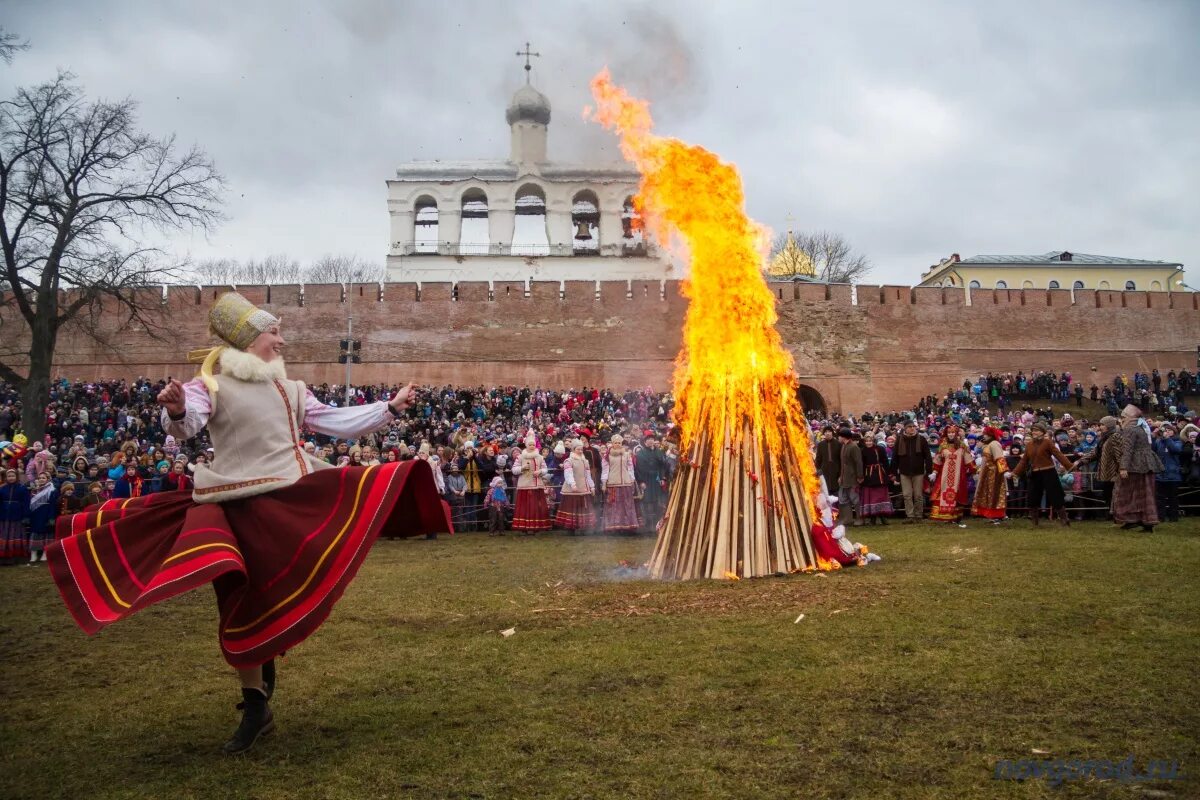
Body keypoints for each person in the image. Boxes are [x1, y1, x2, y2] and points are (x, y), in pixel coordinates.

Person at [45, 291, 449, 754]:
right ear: (250, 340)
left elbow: (334, 422)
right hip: (237, 505)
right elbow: (188, 424)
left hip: (289, 496)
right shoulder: (211, 385)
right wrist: (175, 408)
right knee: (239, 599)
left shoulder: (290, 388)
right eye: (273, 332)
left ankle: (264, 657)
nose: (281, 340)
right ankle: (256, 703)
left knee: (285, 581)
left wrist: (390, 408)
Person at [1009, 422, 1074, 526]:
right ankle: (1035, 522)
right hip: (1035, 474)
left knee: (1055, 496)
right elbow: (1024, 461)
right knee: (1032, 497)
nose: (1034, 432)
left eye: (1037, 430)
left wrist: (1069, 466)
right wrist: (1015, 472)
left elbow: (1058, 455)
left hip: (1049, 472)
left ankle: (1064, 519)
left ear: (1043, 432)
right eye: (1033, 430)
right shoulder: (1029, 445)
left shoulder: (1047, 442)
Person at [1111, 406, 1163, 532]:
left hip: (1135, 465)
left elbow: (1127, 450)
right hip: (1146, 464)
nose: (1121, 420)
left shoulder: (1130, 429)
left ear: (1130, 418)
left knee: (1126, 492)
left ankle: (1133, 519)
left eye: (1123, 417)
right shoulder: (1142, 427)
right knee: (1145, 494)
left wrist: (1123, 467)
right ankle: (1142, 521)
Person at [930, 425, 973, 526]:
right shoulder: (942, 446)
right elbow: (937, 461)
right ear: (946, 433)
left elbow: (969, 461)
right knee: (943, 494)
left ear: (956, 433)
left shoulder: (962, 446)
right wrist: (934, 472)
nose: (951, 434)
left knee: (957, 495)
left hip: (959, 476)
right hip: (944, 477)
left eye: (953, 432)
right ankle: (946, 516)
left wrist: (975, 470)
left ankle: (956, 517)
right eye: (949, 432)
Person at [893, 420, 933, 524]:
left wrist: (929, 470)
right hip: (904, 471)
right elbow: (895, 458)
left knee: (918, 495)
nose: (912, 428)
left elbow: (927, 456)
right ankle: (910, 515)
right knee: (907, 495)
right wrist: (893, 473)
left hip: (918, 471)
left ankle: (918, 515)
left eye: (913, 426)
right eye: (909, 426)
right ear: (905, 428)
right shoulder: (899, 440)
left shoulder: (922, 439)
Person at [511, 435, 551, 533]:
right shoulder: (520, 457)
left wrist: (540, 471)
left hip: (537, 486)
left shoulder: (540, 457)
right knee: (525, 507)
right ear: (526, 445)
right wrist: (522, 468)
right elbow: (513, 470)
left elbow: (546, 469)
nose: (532, 446)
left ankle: (535, 526)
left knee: (536, 507)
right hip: (524, 485)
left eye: (533, 444)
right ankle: (524, 527)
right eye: (530, 444)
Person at [555, 439, 596, 533]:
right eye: (578, 449)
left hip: (583, 488)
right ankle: (571, 528)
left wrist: (592, 486)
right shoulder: (568, 461)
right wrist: (573, 484)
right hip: (572, 489)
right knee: (572, 508)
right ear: (573, 450)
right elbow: (568, 474)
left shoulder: (585, 461)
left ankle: (583, 527)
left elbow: (588, 476)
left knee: (582, 508)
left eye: (581, 449)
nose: (580, 451)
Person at [601, 434, 640, 533]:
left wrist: (631, 479)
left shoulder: (627, 454)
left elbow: (630, 468)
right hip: (613, 483)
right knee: (614, 505)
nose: (617, 444)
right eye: (615, 443)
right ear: (612, 443)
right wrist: (604, 483)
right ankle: (614, 527)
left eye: (619, 443)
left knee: (627, 505)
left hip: (625, 483)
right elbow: (605, 471)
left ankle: (627, 527)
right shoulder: (607, 456)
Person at [970, 426, 1008, 524]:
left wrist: (1004, 471)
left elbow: (999, 458)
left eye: (986, 434)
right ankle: (992, 514)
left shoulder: (994, 444)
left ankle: (997, 514)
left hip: (995, 473)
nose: (984, 436)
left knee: (994, 493)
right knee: (989, 493)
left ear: (991, 435)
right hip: (988, 473)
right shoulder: (988, 444)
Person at [634, 433, 669, 532]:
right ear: (645, 442)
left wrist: (662, 478)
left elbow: (663, 466)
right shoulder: (640, 454)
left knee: (658, 502)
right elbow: (638, 469)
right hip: (646, 480)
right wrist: (641, 481)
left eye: (652, 439)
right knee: (647, 502)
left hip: (657, 479)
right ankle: (648, 526)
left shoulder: (659, 452)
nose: (650, 441)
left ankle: (658, 525)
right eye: (648, 439)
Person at [859, 436, 893, 525]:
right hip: (868, 476)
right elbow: (862, 464)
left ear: (873, 441)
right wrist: (861, 476)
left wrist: (888, 474)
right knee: (871, 497)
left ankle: (883, 517)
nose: (868, 443)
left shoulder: (880, 449)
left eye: (870, 441)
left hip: (879, 475)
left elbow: (885, 461)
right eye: (866, 441)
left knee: (881, 496)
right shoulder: (863, 451)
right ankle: (872, 519)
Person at [1153, 423, 1182, 523]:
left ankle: (1173, 517)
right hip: (1160, 474)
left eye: (1169, 430)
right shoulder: (1158, 441)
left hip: (1172, 475)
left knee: (1173, 498)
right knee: (1159, 498)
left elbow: (1175, 450)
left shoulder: (1177, 441)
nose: (1167, 432)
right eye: (1165, 430)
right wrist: (1153, 436)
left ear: (1174, 432)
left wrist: (1167, 439)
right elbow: (1152, 450)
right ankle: (1160, 516)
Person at [0, 469, 30, 565]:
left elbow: (26, 503)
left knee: (16, 534)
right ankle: (4, 556)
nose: (11, 478)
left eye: (13, 476)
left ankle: (16, 557)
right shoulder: (2, 488)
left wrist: (26, 515)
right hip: (4, 516)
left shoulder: (22, 488)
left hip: (17, 516)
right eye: (9, 476)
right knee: (4, 535)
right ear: (6, 478)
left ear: (16, 477)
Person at [26, 472, 57, 563]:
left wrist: (51, 517)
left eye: (44, 478)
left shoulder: (52, 490)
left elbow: (53, 505)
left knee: (47, 533)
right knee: (35, 533)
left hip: (46, 513)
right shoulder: (34, 490)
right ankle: (34, 553)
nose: (41, 479)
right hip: (35, 514)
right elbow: (30, 504)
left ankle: (45, 553)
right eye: (40, 478)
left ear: (48, 479)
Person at [836, 428, 863, 527]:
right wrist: (841, 476)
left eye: (839, 436)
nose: (838, 438)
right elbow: (843, 464)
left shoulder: (853, 447)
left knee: (855, 499)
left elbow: (858, 462)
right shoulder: (843, 446)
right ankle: (848, 519)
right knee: (843, 499)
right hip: (844, 479)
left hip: (852, 478)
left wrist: (860, 476)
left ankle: (859, 518)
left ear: (843, 437)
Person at [815, 427, 842, 494]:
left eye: (829, 431)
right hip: (825, 470)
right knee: (826, 489)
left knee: (836, 490)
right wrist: (818, 469)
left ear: (832, 433)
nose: (827, 433)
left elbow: (841, 459)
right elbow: (818, 458)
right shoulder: (821, 445)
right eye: (826, 432)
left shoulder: (838, 444)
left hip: (836, 470)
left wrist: (841, 474)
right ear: (824, 433)